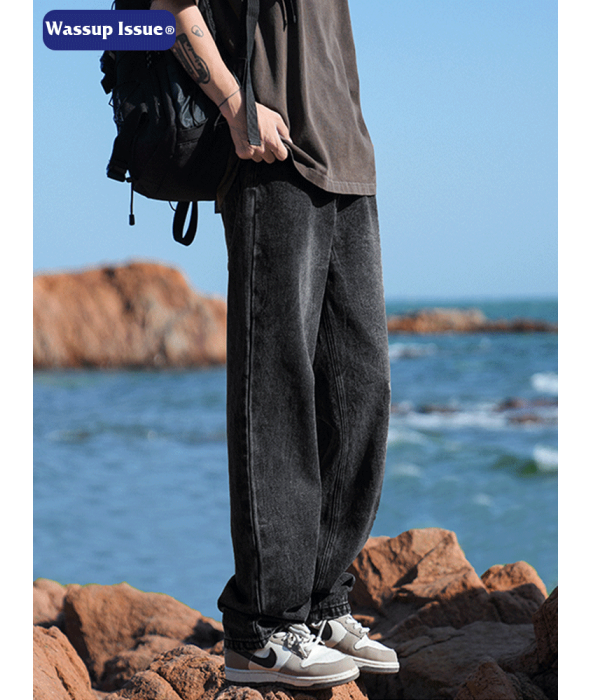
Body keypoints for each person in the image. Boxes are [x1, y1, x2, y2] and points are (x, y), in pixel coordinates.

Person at [152, 0, 398, 689]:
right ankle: (263, 626)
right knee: (276, 392)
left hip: (348, 159)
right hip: (271, 158)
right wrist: (235, 104)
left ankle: (321, 603)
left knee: (362, 392)